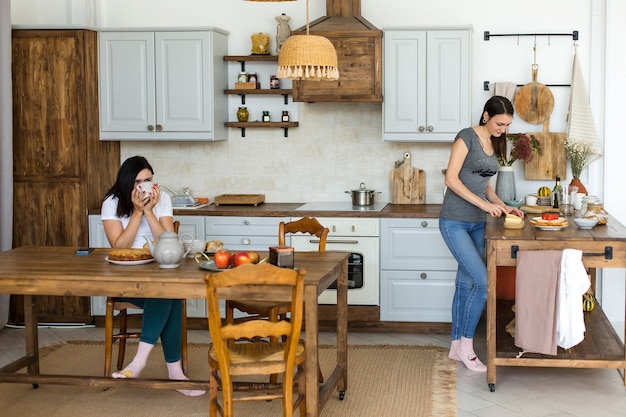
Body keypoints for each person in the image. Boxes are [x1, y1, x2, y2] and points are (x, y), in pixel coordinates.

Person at [101, 155, 204, 396]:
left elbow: (170, 242)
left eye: (149, 180)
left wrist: (149, 211)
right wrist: (136, 213)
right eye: (139, 181)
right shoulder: (112, 201)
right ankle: (174, 374)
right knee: (169, 296)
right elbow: (119, 248)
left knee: (167, 294)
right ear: (128, 183)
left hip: (156, 271)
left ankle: (140, 364)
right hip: (123, 277)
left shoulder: (162, 199)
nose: (145, 186)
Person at [439, 96, 524, 372]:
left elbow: (484, 185)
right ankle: (466, 347)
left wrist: (503, 207)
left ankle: (455, 347)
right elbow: (451, 179)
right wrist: (485, 206)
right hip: (454, 222)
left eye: (507, 125)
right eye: (500, 123)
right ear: (486, 115)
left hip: (479, 223)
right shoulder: (466, 137)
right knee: (483, 283)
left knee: (466, 284)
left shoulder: (496, 142)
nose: (503, 129)